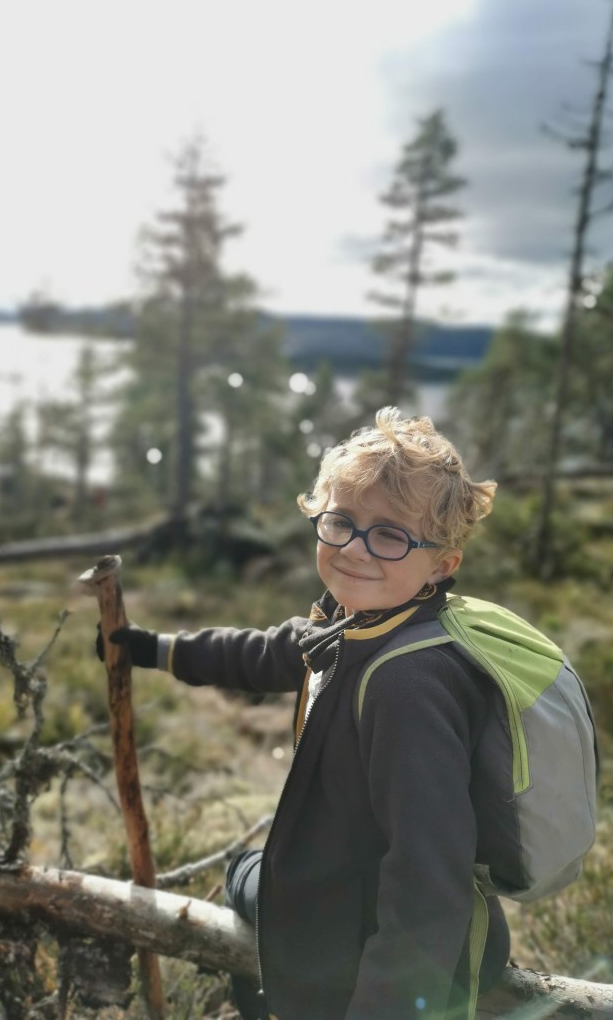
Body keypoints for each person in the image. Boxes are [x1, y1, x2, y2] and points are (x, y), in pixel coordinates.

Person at [101, 407, 511, 1020]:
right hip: (339, 885)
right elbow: (261, 654)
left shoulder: (407, 685)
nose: (355, 549)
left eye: (391, 535)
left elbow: (428, 880)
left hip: (375, 942)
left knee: (246, 876)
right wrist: (153, 649)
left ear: (442, 565)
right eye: (341, 522)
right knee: (249, 872)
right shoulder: (353, 625)